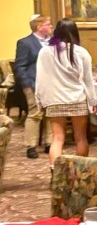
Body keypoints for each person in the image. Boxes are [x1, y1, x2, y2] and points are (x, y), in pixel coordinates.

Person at [34, 18, 97, 167]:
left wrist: (39, 100)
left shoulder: (45, 52)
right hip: (77, 98)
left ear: (56, 32)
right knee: (81, 138)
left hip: (54, 99)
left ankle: (55, 171)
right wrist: (93, 101)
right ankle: (79, 170)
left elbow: (41, 78)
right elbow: (88, 80)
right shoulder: (81, 52)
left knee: (57, 138)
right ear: (75, 33)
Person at [13, 14, 53, 158]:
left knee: (50, 114)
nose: (51, 26)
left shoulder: (53, 42)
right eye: (48, 24)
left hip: (51, 84)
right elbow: (20, 66)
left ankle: (50, 143)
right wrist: (26, 85)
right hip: (33, 83)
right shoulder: (25, 43)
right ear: (39, 27)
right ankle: (31, 145)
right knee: (35, 114)